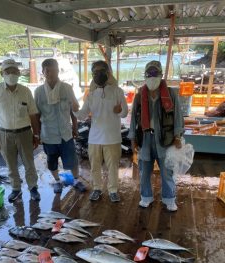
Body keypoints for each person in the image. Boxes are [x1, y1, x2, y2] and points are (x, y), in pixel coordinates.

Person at [129, 60, 184, 212]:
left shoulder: (171, 93)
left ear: (160, 75)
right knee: (144, 171)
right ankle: (146, 197)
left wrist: (177, 136)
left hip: (165, 139)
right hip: (145, 139)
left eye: (155, 73)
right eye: (149, 74)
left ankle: (169, 199)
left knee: (167, 172)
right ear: (145, 76)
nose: (152, 77)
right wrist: (133, 139)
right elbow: (133, 118)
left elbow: (178, 116)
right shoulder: (140, 95)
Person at [0, 58, 40, 203]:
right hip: (4, 133)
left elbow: (33, 114)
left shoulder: (25, 91)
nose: (11, 74)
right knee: (10, 164)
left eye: (14, 71)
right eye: (7, 71)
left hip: (25, 133)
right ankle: (16, 189)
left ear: (19, 73)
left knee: (29, 163)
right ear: (1, 73)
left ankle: (33, 188)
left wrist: (36, 134)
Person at [74, 60, 128, 202]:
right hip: (94, 138)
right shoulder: (91, 95)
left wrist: (120, 110)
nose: (98, 75)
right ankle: (97, 188)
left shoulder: (117, 91)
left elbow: (125, 113)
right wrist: (73, 108)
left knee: (113, 167)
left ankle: (113, 190)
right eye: (95, 72)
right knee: (95, 167)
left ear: (108, 73)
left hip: (113, 138)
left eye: (101, 72)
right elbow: (82, 115)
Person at [34, 58, 86, 194]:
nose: (52, 73)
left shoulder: (67, 88)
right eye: (48, 71)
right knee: (51, 161)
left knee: (72, 159)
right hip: (48, 134)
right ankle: (57, 181)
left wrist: (75, 127)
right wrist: (37, 133)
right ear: (43, 72)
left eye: (55, 70)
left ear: (58, 70)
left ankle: (75, 180)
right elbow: (36, 114)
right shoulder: (39, 92)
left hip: (65, 132)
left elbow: (73, 110)